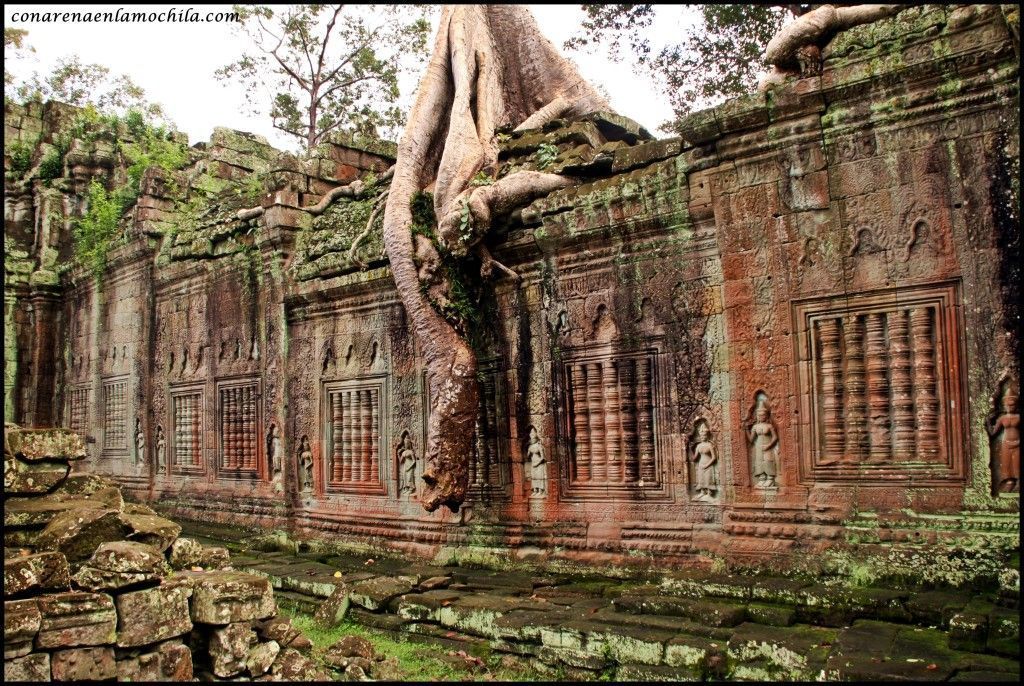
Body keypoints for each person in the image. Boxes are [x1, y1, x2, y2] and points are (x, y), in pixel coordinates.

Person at [692, 423, 718, 501]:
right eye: (701, 436)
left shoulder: (710, 445)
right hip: (701, 464)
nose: (703, 437)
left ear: (707, 436)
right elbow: (695, 458)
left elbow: (714, 457)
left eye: (704, 436)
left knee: (708, 479)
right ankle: (702, 492)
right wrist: (689, 448)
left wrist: (707, 464)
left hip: (708, 464)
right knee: (701, 479)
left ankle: (709, 494)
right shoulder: (699, 446)